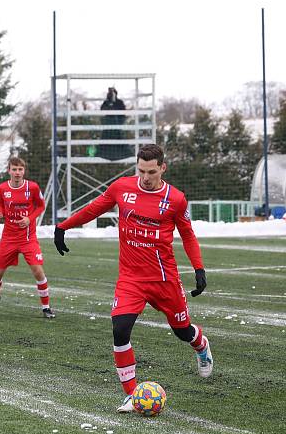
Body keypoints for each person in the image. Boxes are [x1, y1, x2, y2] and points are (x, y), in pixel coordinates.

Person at [53, 144, 211, 413]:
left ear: (163, 168)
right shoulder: (122, 188)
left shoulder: (176, 199)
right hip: (131, 279)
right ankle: (130, 394)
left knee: (182, 331)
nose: (145, 177)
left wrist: (199, 269)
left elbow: (188, 235)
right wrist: (62, 227)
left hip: (164, 279)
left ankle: (202, 346)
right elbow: (94, 209)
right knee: (120, 329)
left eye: (151, 171)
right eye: (141, 170)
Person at [0, 156, 55, 318]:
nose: (17, 172)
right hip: (8, 237)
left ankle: (46, 308)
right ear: (9, 171)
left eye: (20, 169)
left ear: (24, 171)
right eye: (14, 169)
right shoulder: (2, 188)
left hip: (28, 238)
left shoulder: (33, 187)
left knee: (38, 271)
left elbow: (41, 206)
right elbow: (2, 204)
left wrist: (29, 218)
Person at [100, 87, 128, 160]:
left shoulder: (119, 102)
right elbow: (102, 110)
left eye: (112, 93)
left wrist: (120, 123)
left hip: (117, 127)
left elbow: (123, 114)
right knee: (106, 143)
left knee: (118, 141)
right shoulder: (106, 102)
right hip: (107, 128)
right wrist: (109, 105)